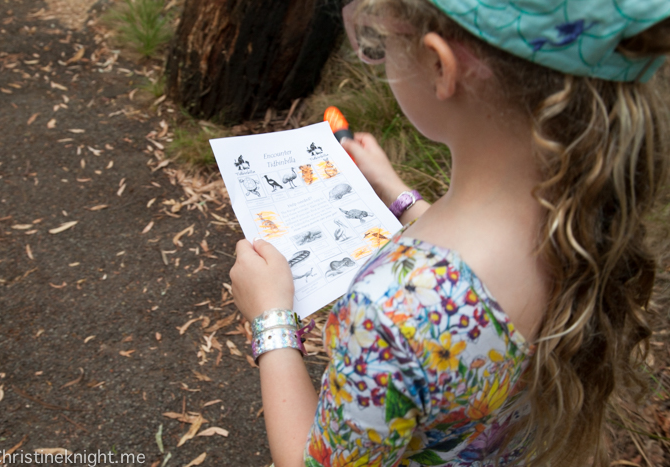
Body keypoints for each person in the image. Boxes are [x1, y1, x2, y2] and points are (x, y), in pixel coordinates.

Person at [229, 0, 670, 465]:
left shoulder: (390, 312)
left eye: (381, 41)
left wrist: (272, 318)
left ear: (441, 65)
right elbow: (477, 283)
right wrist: (398, 194)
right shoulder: (586, 206)